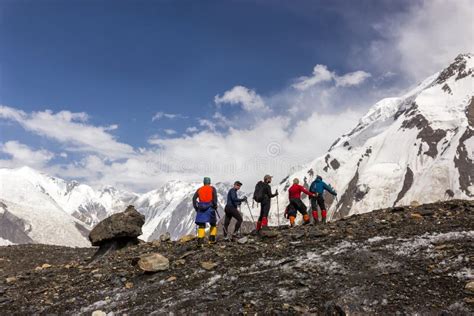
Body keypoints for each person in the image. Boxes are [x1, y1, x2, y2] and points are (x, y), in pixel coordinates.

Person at [192, 177, 218, 245]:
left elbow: (194, 198)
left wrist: (196, 208)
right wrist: (215, 205)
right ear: (209, 182)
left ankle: (200, 242)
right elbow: (215, 198)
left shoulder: (199, 189)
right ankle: (212, 240)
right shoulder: (212, 189)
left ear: (204, 182)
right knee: (213, 223)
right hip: (210, 208)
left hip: (201, 208)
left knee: (201, 225)